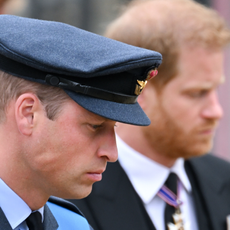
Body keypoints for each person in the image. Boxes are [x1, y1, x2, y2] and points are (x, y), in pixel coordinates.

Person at [70, 0, 230, 230]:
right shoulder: (71, 199)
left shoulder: (224, 179)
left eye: (216, 89)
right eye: (197, 93)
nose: (216, 111)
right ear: (139, 91)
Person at [0, 14, 162, 230]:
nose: (112, 154)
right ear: (29, 114)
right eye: (95, 126)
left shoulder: (74, 225)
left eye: (113, 127)